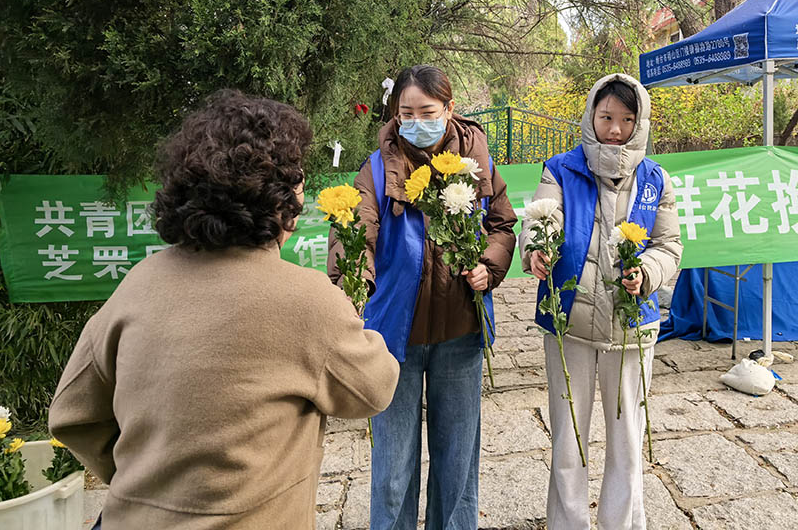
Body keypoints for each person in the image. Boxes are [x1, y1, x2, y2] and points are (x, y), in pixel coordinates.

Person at [48, 90, 399, 530]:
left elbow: (72, 413)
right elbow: (374, 389)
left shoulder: (140, 282)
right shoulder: (307, 298)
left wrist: (150, 483)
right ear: (281, 201)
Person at [328, 65, 517, 529]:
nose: (416, 122)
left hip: (461, 327)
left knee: (458, 461)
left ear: (449, 109)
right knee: (393, 467)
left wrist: (489, 266)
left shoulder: (476, 162)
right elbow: (356, 230)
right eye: (406, 113)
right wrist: (354, 281)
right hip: (395, 334)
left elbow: (502, 224)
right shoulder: (377, 168)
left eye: (427, 112)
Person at [519, 74, 683, 530]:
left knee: (627, 438)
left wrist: (646, 273)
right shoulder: (560, 168)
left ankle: (622, 523)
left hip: (632, 327)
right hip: (569, 322)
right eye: (606, 117)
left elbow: (668, 246)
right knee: (568, 437)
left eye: (627, 120)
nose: (615, 129)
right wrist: (537, 247)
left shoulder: (655, 179)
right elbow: (541, 217)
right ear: (591, 115)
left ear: (639, 123)